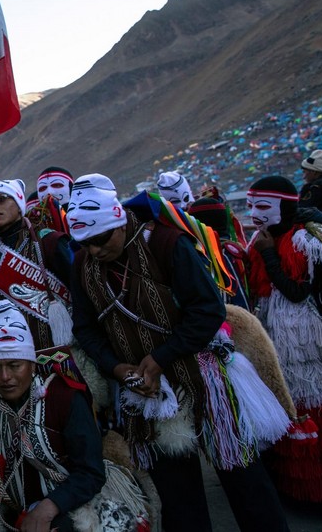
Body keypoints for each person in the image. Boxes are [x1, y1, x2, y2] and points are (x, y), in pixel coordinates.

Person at [68, 173, 289, 532]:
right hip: (144, 393)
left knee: (247, 485)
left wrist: (160, 358)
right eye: (85, 243)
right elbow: (85, 327)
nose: (94, 250)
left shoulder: (168, 244)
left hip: (203, 377)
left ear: (119, 221)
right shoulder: (83, 265)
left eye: (100, 239)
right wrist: (116, 368)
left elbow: (208, 310)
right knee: (178, 498)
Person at [0, 300, 148, 532]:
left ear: (31, 364)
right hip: (18, 508)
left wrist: (48, 508)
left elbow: (91, 472)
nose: (5, 376)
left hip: (74, 503)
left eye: (14, 365)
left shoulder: (64, 397)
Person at [245, 175, 322, 513]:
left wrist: (268, 255)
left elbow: (296, 291)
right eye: (249, 206)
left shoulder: (305, 240)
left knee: (315, 405)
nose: (253, 214)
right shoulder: (266, 239)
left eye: (262, 206)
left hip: (308, 344)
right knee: (288, 403)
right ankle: (297, 489)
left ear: (284, 207)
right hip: (281, 339)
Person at [0, 179, 74, 350]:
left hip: (61, 349)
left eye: (1, 199)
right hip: (13, 352)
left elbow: (79, 291)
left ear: (19, 205)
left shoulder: (49, 241)